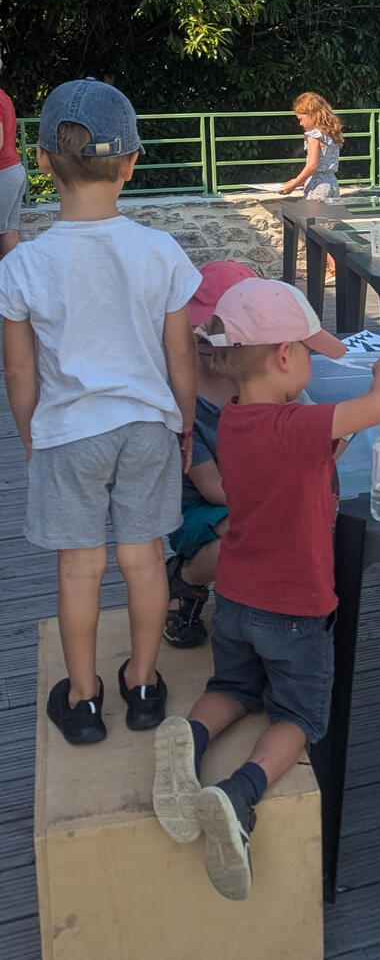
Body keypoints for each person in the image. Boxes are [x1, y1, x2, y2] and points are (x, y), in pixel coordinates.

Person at [152, 277, 380, 901]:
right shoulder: (296, 424)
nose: (313, 365)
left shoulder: (237, 420)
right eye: (309, 352)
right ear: (284, 357)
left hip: (237, 599)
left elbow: (301, 455)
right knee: (298, 716)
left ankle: (188, 738)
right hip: (294, 610)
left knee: (233, 687)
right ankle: (240, 794)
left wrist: (333, 436)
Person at [0, 78, 199, 745]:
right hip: (146, 426)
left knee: (79, 569)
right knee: (144, 560)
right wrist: (185, 421)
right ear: (131, 162)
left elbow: (20, 369)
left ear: (42, 161)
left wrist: (31, 431)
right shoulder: (160, 253)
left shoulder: (23, 265)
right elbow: (181, 356)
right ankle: (142, 684)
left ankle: (83, 699)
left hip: (69, 432)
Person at [164, 259, 260, 648]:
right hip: (202, 509)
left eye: (218, 333)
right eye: (198, 330)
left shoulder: (262, 377)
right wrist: (274, 498)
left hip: (259, 492)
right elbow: (211, 487)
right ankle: (188, 579)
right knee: (245, 532)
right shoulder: (184, 397)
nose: (205, 341)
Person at [277, 92, 342, 199]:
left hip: (317, 186)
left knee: (312, 215)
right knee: (329, 215)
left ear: (311, 114)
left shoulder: (313, 136)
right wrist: (300, 181)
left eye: (301, 119)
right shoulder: (331, 133)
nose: (300, 124)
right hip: (332, 183)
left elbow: (312, 166)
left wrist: (293, 185)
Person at [0, 57, 28, 256]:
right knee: (9, 229)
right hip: (14, 171)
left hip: (3, 173)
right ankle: (15, 282)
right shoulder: (4, 97)